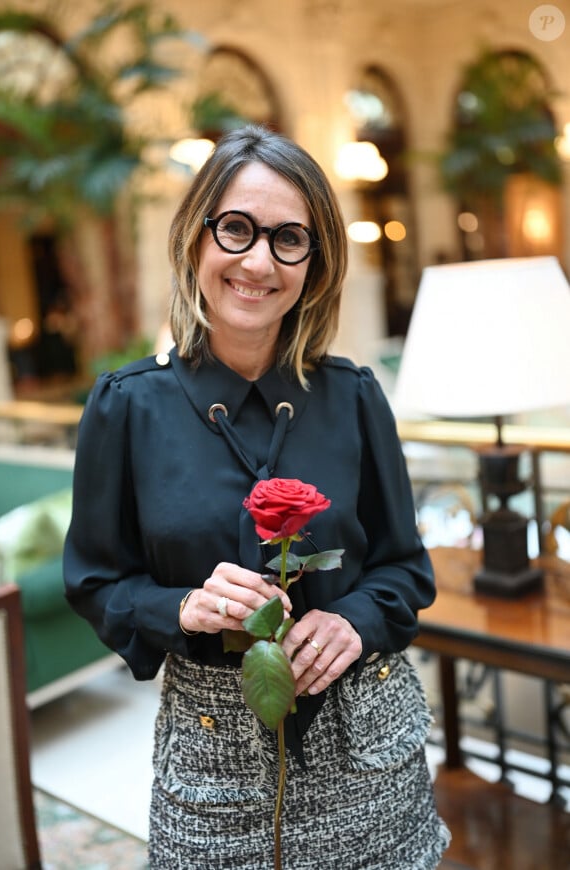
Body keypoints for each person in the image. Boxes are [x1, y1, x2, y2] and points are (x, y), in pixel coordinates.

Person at [64, 124, 450, 869]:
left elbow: (406, 567)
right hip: (210, 762)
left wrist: (354, 621)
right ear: (196, 240)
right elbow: (95, 582)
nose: (258, 261)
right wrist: (177, 607)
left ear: (315, 261)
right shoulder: (124, 406)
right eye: (236, 229)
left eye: (288, 239)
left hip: (369, 748)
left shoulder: (356, 396)